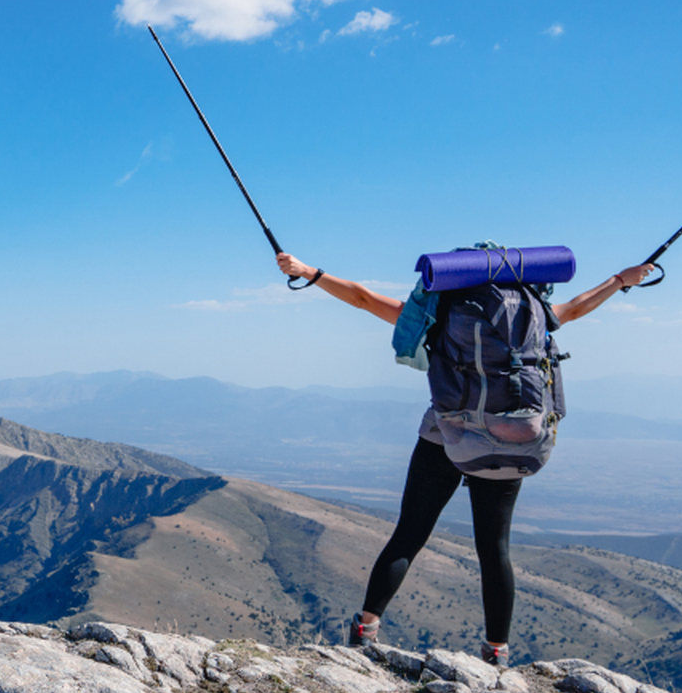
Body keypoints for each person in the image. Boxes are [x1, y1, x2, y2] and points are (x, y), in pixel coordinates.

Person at [273, 249, 658, 667]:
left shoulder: (444, 313)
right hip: (514, 435)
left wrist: (309, 272)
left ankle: (365, 631)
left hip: (446, 433)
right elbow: (578, 307)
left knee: (410, 533)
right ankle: (497, 653)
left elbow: (364, 300)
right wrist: (621, 279)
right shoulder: (532, 315)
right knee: (495, 549)